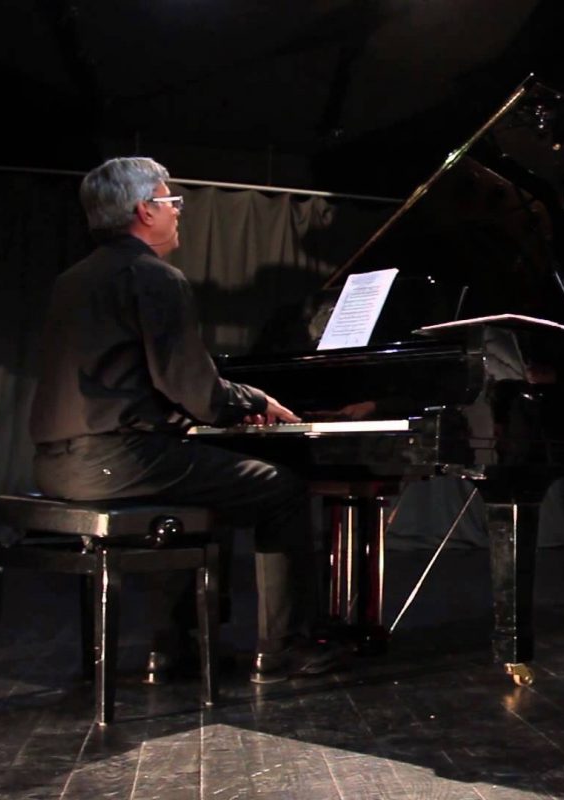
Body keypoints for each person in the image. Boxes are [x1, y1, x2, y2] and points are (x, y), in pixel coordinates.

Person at [29, 157, 343, 682]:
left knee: (198, 485)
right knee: (281, 488)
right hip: (119, 459)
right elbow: (196, 392)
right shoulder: (152, 276)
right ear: (143, 210)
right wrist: (253, 400)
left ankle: (173, 647)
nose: (178, 212)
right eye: (171, 201)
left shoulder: (73, 279)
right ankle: (285, 648)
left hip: (55, 465)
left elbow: (132, 379)